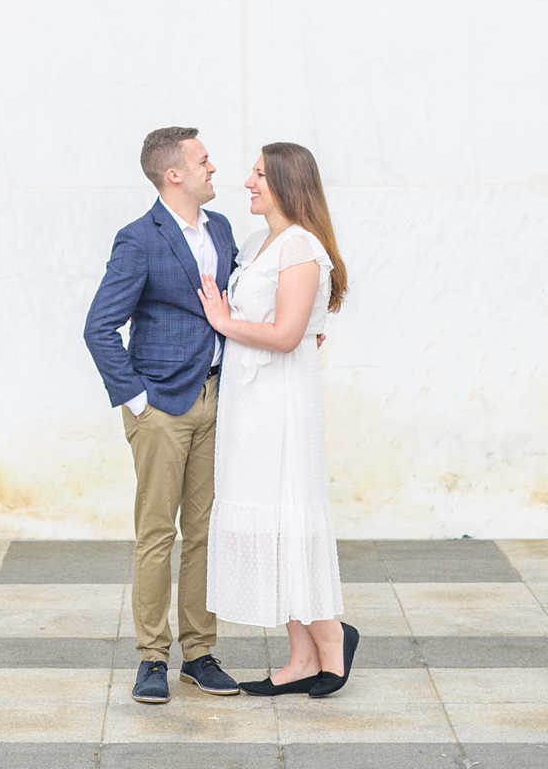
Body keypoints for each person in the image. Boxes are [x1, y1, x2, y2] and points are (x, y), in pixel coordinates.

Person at [83, 127, 244, 704]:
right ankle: (153, 657)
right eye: (204, 160)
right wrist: (137, 400)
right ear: (173, 174)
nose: (213, 168)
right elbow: (99, 328)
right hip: (160, 408)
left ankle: (199, 654)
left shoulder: (221, 230)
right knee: (157, 533)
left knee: (204, 531)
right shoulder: (138, 239)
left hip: (214, 400)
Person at [199, 141, 355, 697]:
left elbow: (288, 336)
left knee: (286, 516)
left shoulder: (302, 248)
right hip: (250, 401)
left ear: (288, 183)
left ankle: (331, 638)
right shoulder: (258, 241)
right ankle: (301, 656)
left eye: (261, 174)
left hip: (281, 406)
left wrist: (222, 320)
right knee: (265, 530)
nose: (248, 181)